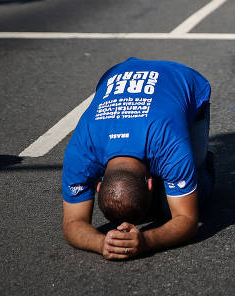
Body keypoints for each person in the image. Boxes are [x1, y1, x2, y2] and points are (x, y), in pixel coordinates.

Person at [61, 58, 214, 260]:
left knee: (167, 207)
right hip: (116, 72)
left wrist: (146, 241)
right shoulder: (79, 152)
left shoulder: (170, 144)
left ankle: (207, 166)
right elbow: (71, 224)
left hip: (182, 77)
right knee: (168, 199)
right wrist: (102, 244)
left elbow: (187, 220)